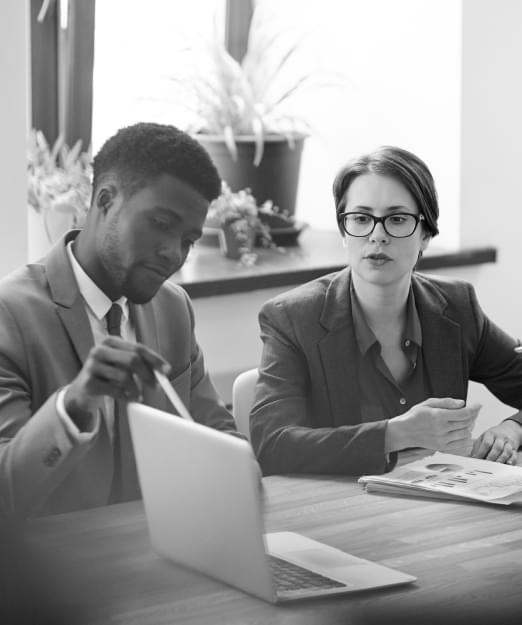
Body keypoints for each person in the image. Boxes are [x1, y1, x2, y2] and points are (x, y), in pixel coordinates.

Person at [0, 122, 238, 518]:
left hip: (158, 544)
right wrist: (74, 405)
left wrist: (239, 469)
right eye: (161, 225)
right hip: (53, 554)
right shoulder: (9, 315)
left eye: (189, 241)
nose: (174, 254)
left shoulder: (173, 308)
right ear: (106, 200)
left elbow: (215, 430)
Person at [250, 146, 522, 476]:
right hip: (339, 503)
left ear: (425, 234)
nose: (377, 236)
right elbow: (272, 445)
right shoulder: (292, 318)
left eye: (397, 219)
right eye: (361, 219)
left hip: (439, 499)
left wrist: (513, 429)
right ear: (343, 231)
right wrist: (396, 433)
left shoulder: (457, 307)